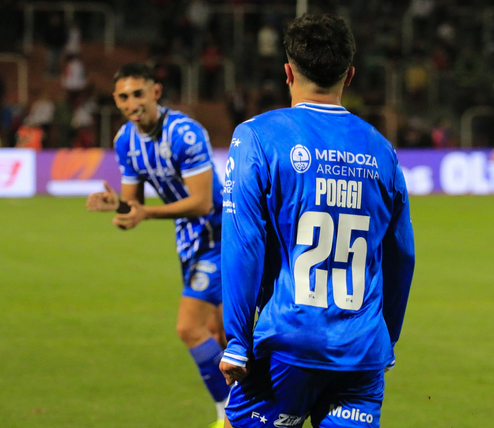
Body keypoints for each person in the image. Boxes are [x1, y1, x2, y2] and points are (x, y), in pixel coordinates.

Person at [219, 14, 415, 428]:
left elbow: (243, 242)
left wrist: (237, 340)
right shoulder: (382, 151)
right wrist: (388, 337)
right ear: (350, 75)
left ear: (287, 72)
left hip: (286, 346)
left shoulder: (257, 136)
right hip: (362, 351)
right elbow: (401, 256)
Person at [86, 62, 229, 428]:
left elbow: (202, 203)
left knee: (188, 328)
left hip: (222, 233)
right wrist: (117, 206)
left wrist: (145, 215)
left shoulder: (185, 133)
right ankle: (246, 411)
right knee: (219, 334)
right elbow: (133, 208)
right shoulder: (125, 142)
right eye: (123, 96)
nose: (132, 102)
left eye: (138, 93)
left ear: (155, 92)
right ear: (116, 101)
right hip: (190, 239)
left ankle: (230, 415)